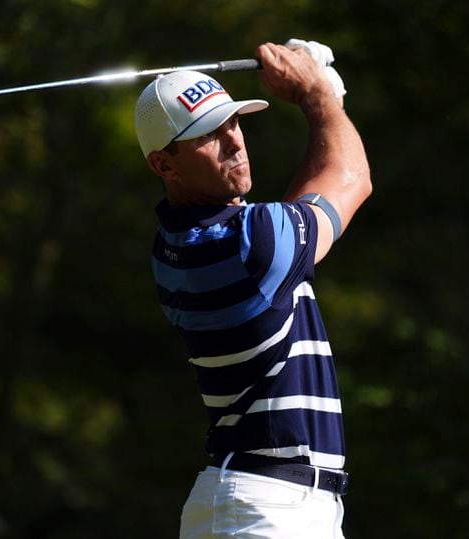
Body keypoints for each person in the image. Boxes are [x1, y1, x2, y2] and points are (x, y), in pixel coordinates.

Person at [133, 38, 371, 539]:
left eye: (234, 122)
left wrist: (328, 103)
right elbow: (350, 178)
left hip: (269, 504)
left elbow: (299, 213)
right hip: (265, 508)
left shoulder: (178, 246)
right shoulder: (250, 243)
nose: (235, 142)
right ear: (164, 165)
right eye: (208, 135)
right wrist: (317, 97)